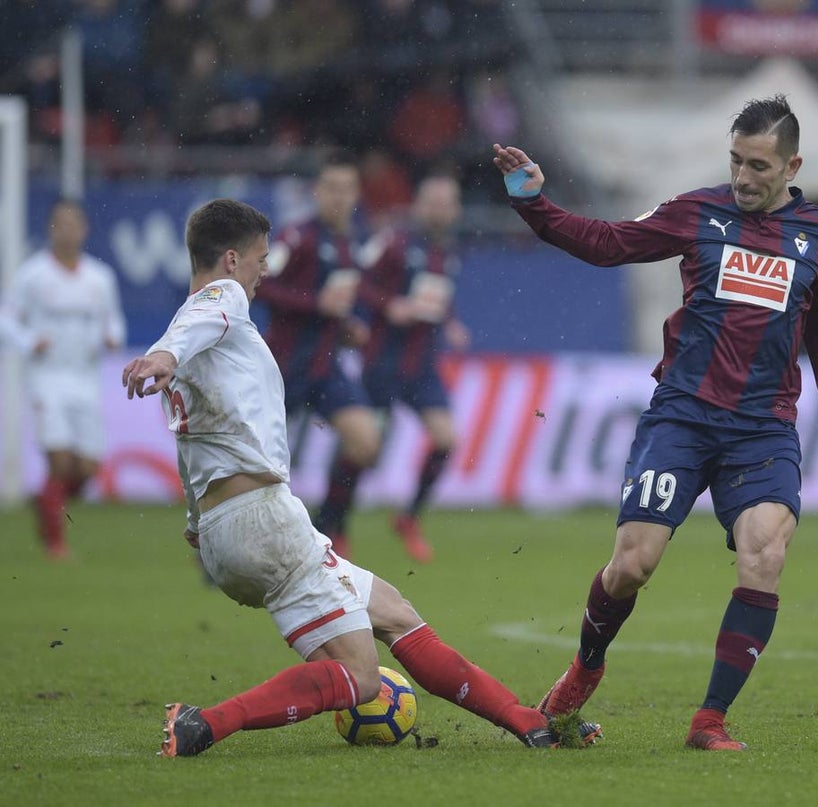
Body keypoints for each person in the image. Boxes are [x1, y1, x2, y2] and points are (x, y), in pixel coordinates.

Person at [121, 198, 600, 757]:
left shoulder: (199, 338)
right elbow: (208, 314)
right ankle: (204, 724)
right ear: (230, 260)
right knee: (361, 679)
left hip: (226, 533)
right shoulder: (218, 302)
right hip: (263, 523)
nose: (264, 271)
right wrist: (163, 355)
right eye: (259, 259)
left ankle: (527, 721)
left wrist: (195, 519)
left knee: (394, 612)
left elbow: (191, 442)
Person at [491, 94, 818, 751]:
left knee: (765, 552)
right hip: (684, 415)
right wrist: (534, 203)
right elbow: (608, 244)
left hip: (763, 427)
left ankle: (710, 719)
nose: (744, 177)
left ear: (792, 165)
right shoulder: (698, 212)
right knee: (632, 565)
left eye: (758, 165)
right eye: (735, 160)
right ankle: (585, 663)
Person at [318, 172, 470, 563]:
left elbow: (435, 296)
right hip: (383, 364)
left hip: (422, 367)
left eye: (446, 202)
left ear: (455, 209)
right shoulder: (395, 241)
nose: (439, 209)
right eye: (433, 201)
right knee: (364, 450)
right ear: (419, 204)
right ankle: (335, 526)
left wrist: (450, 321)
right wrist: (389, 306)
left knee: (446, 439)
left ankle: (408, 518)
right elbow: (360, 282)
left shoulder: (448, 249)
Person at [257, 151, 381, 558]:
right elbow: (262, 285)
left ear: (357, 194)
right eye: (331, 188)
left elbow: (346, 301)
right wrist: (316, 304)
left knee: (364, 441)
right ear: (316, 192)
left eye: (346, 189)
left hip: (326, 366)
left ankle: (330, 526)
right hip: (285, 366)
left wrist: (350, 326)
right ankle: (224, 543)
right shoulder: (297, 237)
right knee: (259, 466)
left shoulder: (355, 242)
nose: (339, 197)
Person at [0, 198, 126, 559]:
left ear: (84, 229)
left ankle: (45, 504)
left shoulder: (100, 278)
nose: (68, 230)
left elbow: (113, 320)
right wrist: (28, 341)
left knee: (87, 467)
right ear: (50, 229)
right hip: (47, 376)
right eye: (61, 223)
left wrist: (112, 337)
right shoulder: (32, 275)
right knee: (59, 461)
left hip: (85, 378)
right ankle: (55, 542)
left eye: (75, 223)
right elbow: (6, 319)